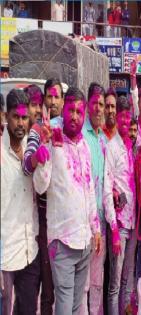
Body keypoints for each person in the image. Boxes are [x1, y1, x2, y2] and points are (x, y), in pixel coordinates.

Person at [33, 87, 102, 314]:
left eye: (79, 112)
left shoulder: (84, 146)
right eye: (70, 110)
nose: (74, 116)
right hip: (62, 243)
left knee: (76, 307)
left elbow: (89, 188)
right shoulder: (52, 139)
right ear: (63, 110)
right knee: (63, 308)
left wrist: (96, 228)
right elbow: (40, 186)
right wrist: (43, 151)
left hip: (84, 242)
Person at [1, 89, 40, 315]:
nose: (20, 123)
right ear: (6, 117)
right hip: (4, 257)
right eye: (16, 117)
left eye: (25, 118)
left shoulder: (31, 149)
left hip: (29, 252)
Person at [22, 83, 55, 315]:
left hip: (44, 218)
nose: (36, 109)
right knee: (29, 287)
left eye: (37, 104)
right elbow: (27, 164)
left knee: (47, 286)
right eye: (31, 105)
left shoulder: (45, 130)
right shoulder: (31, 133)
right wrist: (35, 158)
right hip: (27, 223)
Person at [103, 95, 137, 315]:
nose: (125, 122)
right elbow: (107, 190)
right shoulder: (112, 147)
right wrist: (114, 232)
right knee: (114, 285)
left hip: (133, 223)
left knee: (126, 278)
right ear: (116, 118)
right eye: (122, 117)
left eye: (128, 118)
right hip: (120, 225)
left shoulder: (129, 146)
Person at [81, 83, 108, 315]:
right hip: (84, 227)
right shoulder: (81, 137)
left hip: (102, 226)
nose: (99, 109)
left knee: (97, 282)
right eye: (96, 104)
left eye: (102, 104)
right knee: (83, 286)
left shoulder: (103, 141)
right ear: (88, 106)